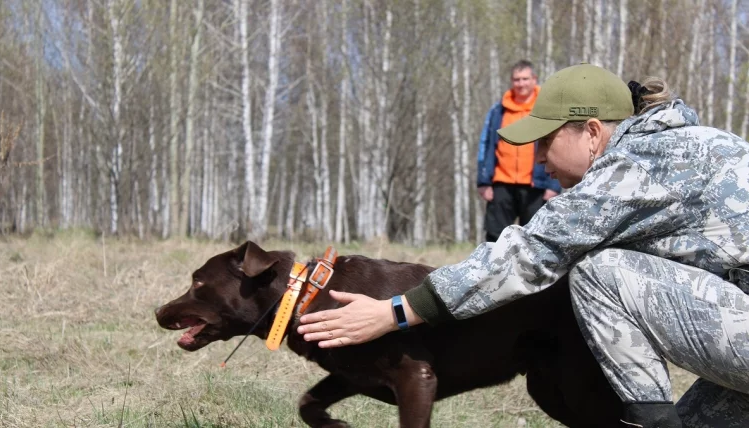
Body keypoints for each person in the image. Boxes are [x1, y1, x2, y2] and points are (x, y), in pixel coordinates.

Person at [298, 64, 749, 427]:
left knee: (599, 271)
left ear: (592, 132)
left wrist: (392, 311)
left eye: (546, 142)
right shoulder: (692, 144)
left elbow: (527, 253)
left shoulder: (635, 163)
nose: (538, 160)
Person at [477, 60, 561, 242]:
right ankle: (494, 271)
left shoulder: (547, 108)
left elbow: (557, 145)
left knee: (535, 238)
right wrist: (483, 181)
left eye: (525, 79)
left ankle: (530, 272)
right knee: (494, 237)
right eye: (516, 79)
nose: (521, 84)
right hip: (501, 183)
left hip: (536, 185)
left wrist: (554, 184)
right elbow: (486, 144)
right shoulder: (498, 110)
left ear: (534, 79)